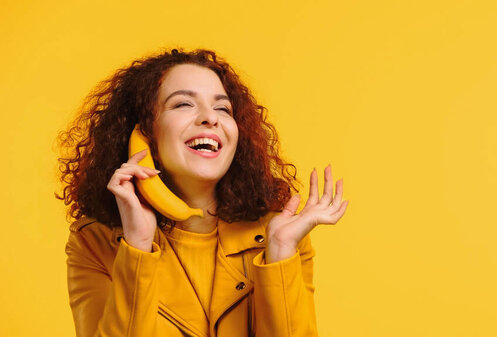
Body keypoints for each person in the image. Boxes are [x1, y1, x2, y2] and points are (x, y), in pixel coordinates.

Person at [56, 48, 349, 337]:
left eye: (223, 108)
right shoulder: (93, 244)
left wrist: (281, 253)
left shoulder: (281, 235)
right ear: (143, 134)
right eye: (183, 104)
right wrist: (138, 247)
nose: (211, 118)